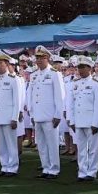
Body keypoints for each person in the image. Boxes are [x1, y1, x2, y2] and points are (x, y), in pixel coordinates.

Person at [28, 46, 65, 179]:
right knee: (41, 144)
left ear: (47, 58)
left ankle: (54, 169)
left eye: (41, 58)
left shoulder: (54, 73)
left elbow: (60, 96)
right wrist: (31, 114)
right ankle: (45, 167)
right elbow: (31, 95)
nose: (38, 60)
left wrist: (58, 115)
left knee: (52, 144)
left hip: (50, 115)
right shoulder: (34, 75)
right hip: (37, 115)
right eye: (37, 58)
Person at [67, 56, 98, 183]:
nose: (80, 70)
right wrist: (72, 121)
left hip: (90, 122)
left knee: (93, 149)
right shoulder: (75, 84)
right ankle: (82, 171)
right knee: (81, 148)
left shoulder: (96, 84)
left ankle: (92, 172)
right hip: (78, 121)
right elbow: (71, 104)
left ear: (90, 68)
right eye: (79, 67)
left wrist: (96, 123)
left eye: (83, 67)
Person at [0, 52, 22, 176]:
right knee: (1, 145)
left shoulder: (14, 79)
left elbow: (17, 101)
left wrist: (15, 118)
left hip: (8, 117)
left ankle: (12, 167)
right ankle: (4, 166)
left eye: (0, 63)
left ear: (7, 64)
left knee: (11, 144)